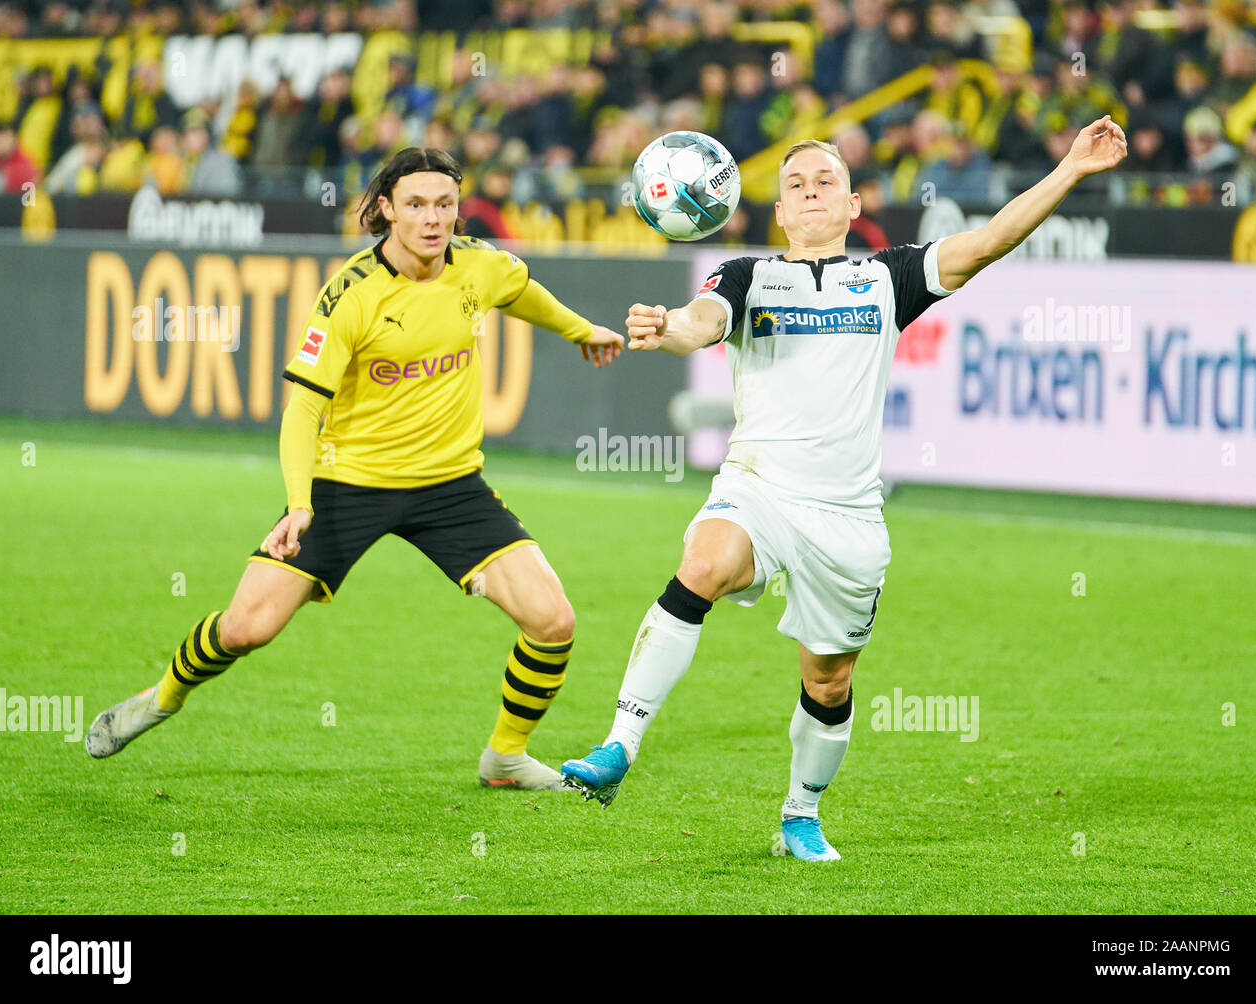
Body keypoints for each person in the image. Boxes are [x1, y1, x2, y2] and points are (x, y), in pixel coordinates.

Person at [561, 116, 1128, 861]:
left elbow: (987, 243)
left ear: (853, 202)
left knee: (827, 681)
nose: (811, 191)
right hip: (759, 485)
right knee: (703, 563)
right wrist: (665, 325)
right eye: (795, 184)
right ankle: (619, 746)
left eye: (826, 179)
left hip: (847, 512)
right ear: (781, 213)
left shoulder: (890, 277)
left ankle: (800, 813)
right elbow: (703, 323)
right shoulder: (747, 275)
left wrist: (1070, 170)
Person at [86, 147, 626, 791]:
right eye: (417, 205)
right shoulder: (350, 294)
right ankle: (162, 698)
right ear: (386, 210)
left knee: (553, 619)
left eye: (445, 204)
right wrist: (297, 502)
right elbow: (302, 408)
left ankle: (505, 757)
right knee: (245, 628)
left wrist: (580, 330)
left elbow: (521, 291)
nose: (433, 219)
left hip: (450, 486)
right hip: (347, 485)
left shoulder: (480, 266)